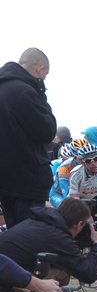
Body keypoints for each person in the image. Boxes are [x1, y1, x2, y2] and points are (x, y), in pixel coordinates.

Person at [0, 198, 97, 292]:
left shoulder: (37, 222)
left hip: (5, 288)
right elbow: (89, 273)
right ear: (78, 224)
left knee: (45, 265)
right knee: (61, 272)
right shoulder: (56, 236)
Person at [0, 48, 56, 228]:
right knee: (29, 241)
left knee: (13, 238)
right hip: (27, 180)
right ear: (40, 70)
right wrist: (41, 94)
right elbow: (47, 131)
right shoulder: (25, 92)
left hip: (5, 180)